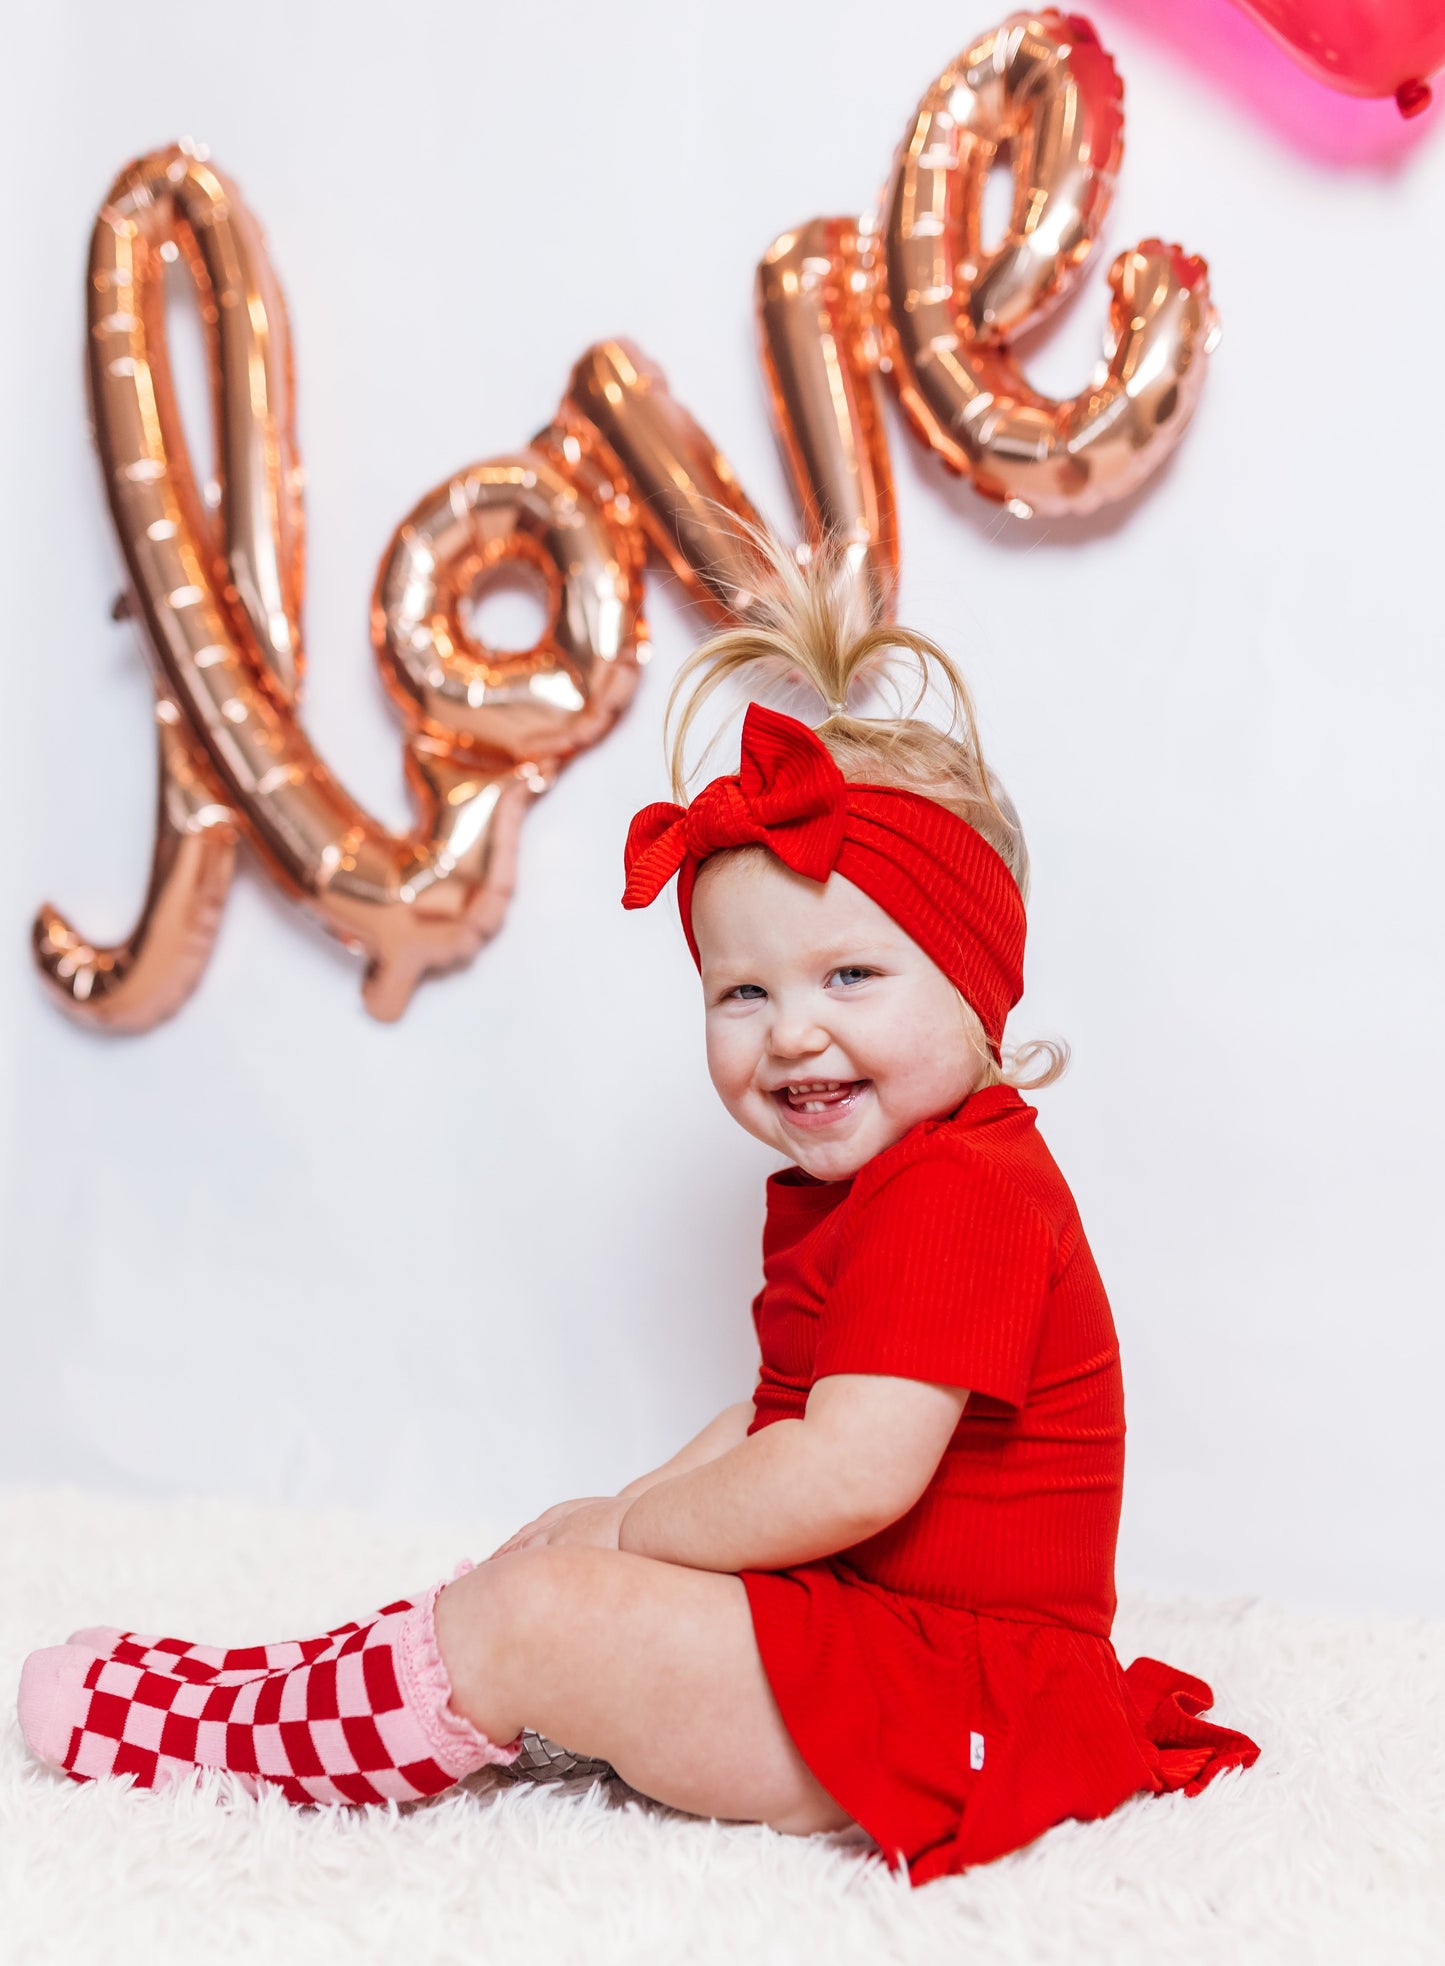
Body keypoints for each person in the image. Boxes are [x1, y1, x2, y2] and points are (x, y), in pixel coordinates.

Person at [16, 527, 1257, 1883]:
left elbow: (846, 1470)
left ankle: (260, 1730)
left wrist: (630, 1538)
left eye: (849, 976)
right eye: (744, 993)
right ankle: (340, 1686)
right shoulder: (876, 1183)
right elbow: (781, 1416)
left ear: (975, 987)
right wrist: (624, 1501)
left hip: (962, 1700)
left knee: (560, 1606)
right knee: (561, 1566)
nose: (792, 1035)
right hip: (888, 1645)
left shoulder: (965, 1188)